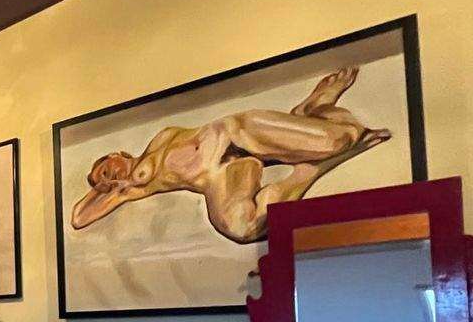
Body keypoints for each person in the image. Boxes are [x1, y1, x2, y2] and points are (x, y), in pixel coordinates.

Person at [70, 67, 392, 244]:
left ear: (117, 154)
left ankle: (313, 108)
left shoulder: (159, 141)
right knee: (241, 228)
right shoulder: (133, 187)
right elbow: (79, 218)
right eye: (104, 181)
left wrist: (104, 182)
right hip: (220, 176)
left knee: (342, 138)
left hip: (233, 133)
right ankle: (308, 170)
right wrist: (102, 190)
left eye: (106, 170)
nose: (110, 177)